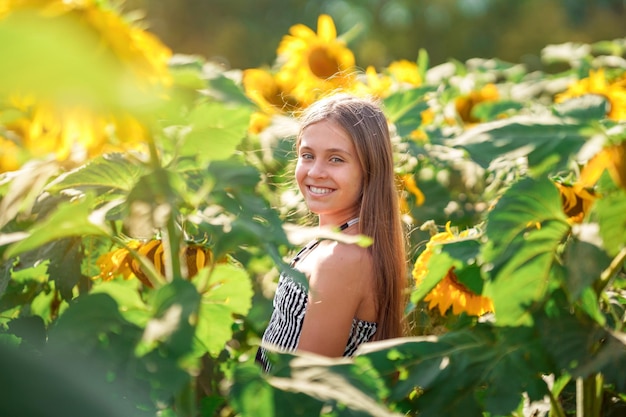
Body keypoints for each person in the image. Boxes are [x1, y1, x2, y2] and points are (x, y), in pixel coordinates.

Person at [256, 93, 408, 372]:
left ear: (369, 170)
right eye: (307, 155)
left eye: (336, 159)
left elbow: (307, 385)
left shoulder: (342, 258)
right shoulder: (336, 242)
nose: (316, 171)